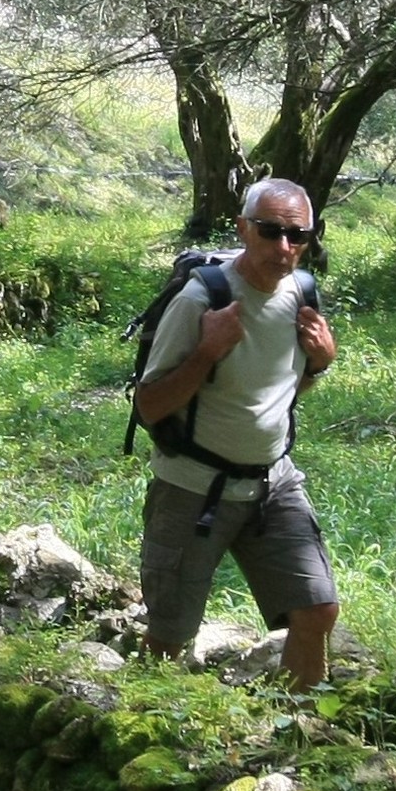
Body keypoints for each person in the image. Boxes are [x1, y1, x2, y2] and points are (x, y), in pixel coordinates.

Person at [134, 176, 341, 692]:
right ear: (243, 229)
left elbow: (277, 393)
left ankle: (301, 735)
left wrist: (320, 364)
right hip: (191, 486)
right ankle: (144, 735)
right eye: (271, 232)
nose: (285, 247)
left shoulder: (304, 294)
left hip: (274, 482)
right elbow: (148, 405)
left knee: (317, 610)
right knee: (168, 638)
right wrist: (206, 352)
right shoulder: (202, 299)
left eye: (299, 236)